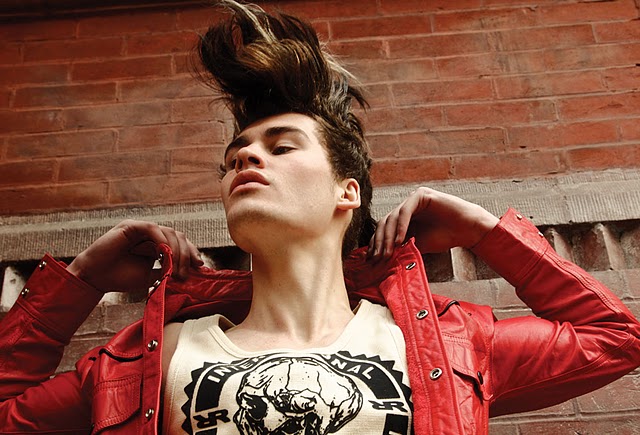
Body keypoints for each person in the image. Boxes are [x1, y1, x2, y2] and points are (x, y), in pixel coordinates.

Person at [1, 1, 639, 434]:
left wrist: (484, 232)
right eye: (234, 157)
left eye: (281, 147)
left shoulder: (447, 343)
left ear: (347, 192)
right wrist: (79, 280)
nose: (246, 158)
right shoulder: (149, 356)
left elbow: (615, 339)